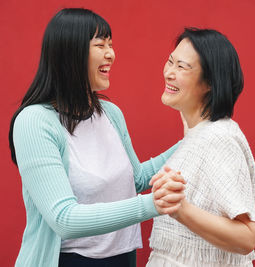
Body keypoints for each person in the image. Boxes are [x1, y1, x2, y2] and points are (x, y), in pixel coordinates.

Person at [9, 8, 185, 267]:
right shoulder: (35, 121)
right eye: (100, 45)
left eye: (111, 45)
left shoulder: (110, 113)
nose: (111, 54)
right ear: (70, 52)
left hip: (123, 258)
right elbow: (63, 218)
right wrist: (152, 205)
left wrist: (192, 140)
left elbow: (134, 179)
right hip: (66, 261)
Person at [146, 28, 255, 267]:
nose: (169, 73)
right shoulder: (200, 132)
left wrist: (180, 209)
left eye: (182, 67)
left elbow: (247, 237)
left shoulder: (218, 138)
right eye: (170, 62)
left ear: (209, 82)